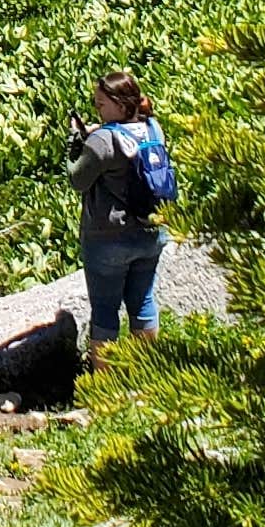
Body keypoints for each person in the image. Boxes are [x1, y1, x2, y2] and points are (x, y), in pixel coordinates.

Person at [66, 70, 169, 360]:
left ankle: (106, 386)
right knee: (144, 301)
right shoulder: (153, 128)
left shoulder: (103, 141)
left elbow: (77, 179)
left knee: (105, 310)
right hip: (152, 230)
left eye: (101, 104)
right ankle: (147, 373)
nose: (97, 108)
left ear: (120, 105)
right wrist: (99, 130)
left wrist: (75, 142)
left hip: (108, 238)